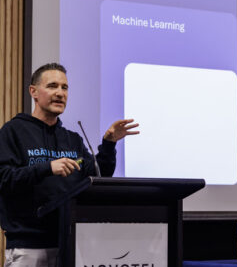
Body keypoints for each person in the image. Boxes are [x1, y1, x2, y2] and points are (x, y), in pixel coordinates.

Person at [0, 63, 139, 267]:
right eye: (52, 86)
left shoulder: (72, 139)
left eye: (64, 88)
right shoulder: (13, 131)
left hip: (71, 242)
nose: (60, 93)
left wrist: (109, 143)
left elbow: (98, 177)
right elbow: (4, 178)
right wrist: (47, 168)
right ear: (34, 92)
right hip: (29, 245)